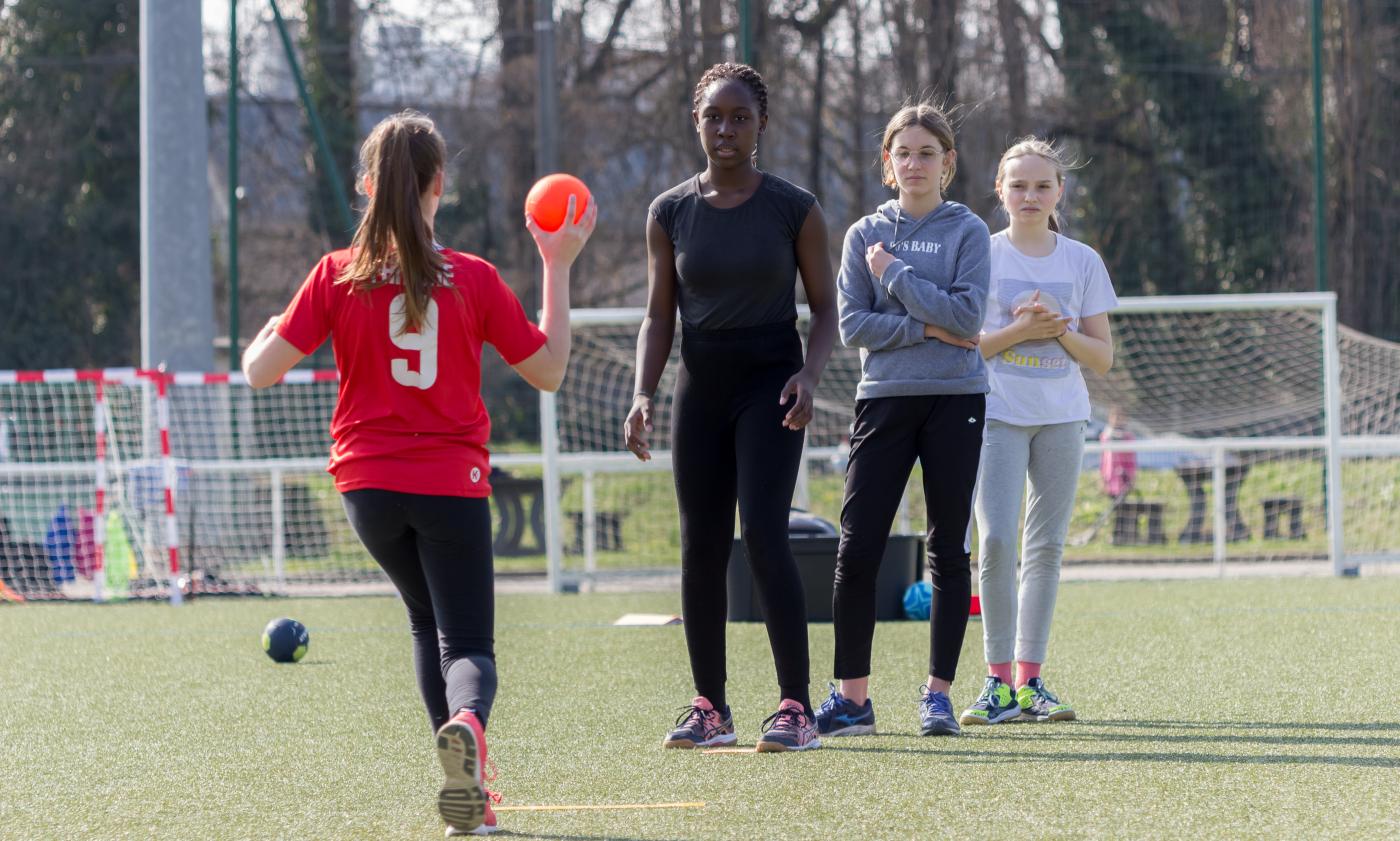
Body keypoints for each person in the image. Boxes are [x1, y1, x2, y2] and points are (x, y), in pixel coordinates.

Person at [241, 111, 595, 835]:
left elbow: (259, 373)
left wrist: (270, 329)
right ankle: (466, 723)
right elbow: (552, 372)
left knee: (425, 620)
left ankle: (470, 790)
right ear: (440, 185)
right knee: (466, 645)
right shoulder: (473, 277)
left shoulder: (335, 273)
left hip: (366, 490)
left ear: (368, 186)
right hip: (450, 484)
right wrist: (557, 265)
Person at [623, 62, 838, 753]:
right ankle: (710, 707)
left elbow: (827, 308)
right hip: (701, 382)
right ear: (696, 121)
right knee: (700, 547)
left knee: (766, 535)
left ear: (761, 125)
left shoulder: (794, 208)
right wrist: (641, 394)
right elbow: (659, 316)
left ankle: (796, 707)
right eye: (714, 116)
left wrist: (808, 373)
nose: (726, 128)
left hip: (771, 382)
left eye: (739, 116)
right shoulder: (669, 211)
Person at [816, 102, 990, 739]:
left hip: (956, 401)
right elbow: (853, 326)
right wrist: (927, 324)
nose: (914, 163)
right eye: (902, 153)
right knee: (857, 548)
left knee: (948, 549)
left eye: (927, 153)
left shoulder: (967, 231)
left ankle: (938, 696)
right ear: (887, 164)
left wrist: (895, 274)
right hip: (883, 400)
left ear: (948, 163)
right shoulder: (863, 233)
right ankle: (852, 701)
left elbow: (969, 320)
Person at [961, 136, 1117, 727]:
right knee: (997, 541)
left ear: (1059, 193)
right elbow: (966, 349)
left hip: (1062, 417)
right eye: (1018, 184)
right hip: (996, 414)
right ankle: (995, 683)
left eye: (1042, 185)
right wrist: (1022, 331)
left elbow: (1100, 358)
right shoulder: (981, 253)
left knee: (1045, 547)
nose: (1030, 195)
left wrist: (1057, 333)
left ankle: (1031, 682)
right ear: (1000, 190)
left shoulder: (1082, 261)